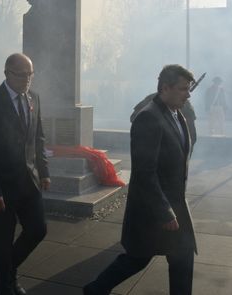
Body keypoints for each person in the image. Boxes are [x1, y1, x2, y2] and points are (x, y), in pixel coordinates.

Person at [84, 64, 197, 295]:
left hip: (174, 203)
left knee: (182, 258)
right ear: (165, 88)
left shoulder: (177, 113)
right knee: (137, 259)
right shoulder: (149, 118)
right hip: (153, 207)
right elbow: (145, 173)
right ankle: (95, 290)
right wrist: (164, 210)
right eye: (183, 89)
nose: (188, 94)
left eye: (189, 89)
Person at [0, 53, 50, 295]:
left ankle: (8, 272)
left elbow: (38, 138)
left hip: (29, 180)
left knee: (38, 229)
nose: (27, 80)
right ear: (7, 73)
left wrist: (44, 171)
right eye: (22, 75)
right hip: (2, 186)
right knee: (2, 242)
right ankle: (4, 286)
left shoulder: (34, 98)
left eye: (31, 74)